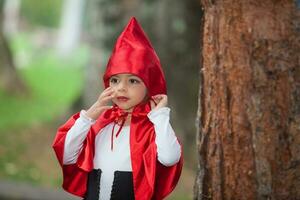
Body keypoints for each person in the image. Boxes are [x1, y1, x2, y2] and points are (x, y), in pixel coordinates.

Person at [52, 17, 183, 200]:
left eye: (133, 81)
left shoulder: (153, 129)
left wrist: (159, 115)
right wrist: (88, 117)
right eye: (115, 80)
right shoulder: (101, 124)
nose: (121, 88)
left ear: (150, 85)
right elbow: (67, 155)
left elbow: (170, 158)